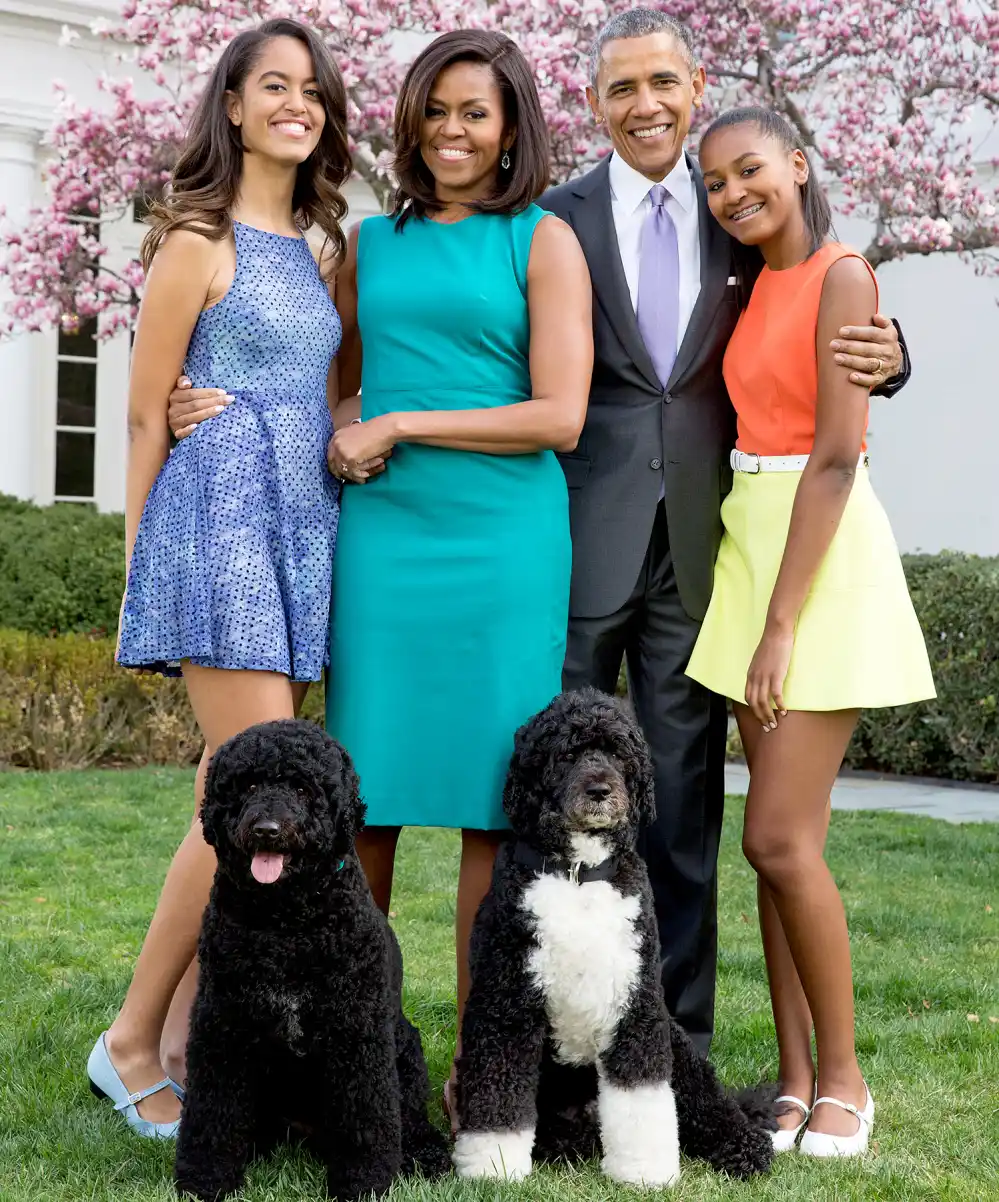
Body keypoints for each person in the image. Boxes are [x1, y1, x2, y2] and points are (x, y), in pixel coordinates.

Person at [167, 28, 592, 1133]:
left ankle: (479, 1081)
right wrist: (198, 401)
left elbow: (560, 413)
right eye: (435, 109)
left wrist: (404, 419)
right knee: (361, 810)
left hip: (501, 546)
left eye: (477, 113)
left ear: (513, 129)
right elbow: (325, 390)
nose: (453, 131)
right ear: (409, 119)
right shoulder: (367, 243)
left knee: (496, 821)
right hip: (385, 545)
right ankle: (334, 1073)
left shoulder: (543, 244)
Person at [539, 7, 911, 1056]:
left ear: (696, 87)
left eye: (662, 82)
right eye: (621, 88)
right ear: (595, 104)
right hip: (578, 537)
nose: (644, 105)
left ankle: (676, 1048)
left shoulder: (736, 207)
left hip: (710, 553)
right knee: (554, 795)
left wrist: (894, 351)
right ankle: (557, 1039)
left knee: (681, 805)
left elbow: (820, 311)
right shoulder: (555, 219)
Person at [89, 19, 351, 1137]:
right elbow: (148, 409)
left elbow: (322, 390)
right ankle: (134, 1039)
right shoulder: (194, 238)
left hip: (303, 521)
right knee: (237, 789)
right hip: (219, 522)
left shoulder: (324, 244)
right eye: (273, 86)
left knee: (237, 787)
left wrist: (355, 427)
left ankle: (190, 1036)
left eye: (313, 90)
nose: (297, 104)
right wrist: (143, 560)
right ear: (232, 106)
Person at [685, 106, 934, 1156]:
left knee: (776, 836)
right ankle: (791, 1080)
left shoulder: (845, 273)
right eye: (715, 184)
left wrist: (780, 624)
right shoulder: (745, 283)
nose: (734, 194)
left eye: (751, 171)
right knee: (778, 848)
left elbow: (836, 455)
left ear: (799, 162)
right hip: (749, 538)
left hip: (814, 555)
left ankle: (845, 1077)